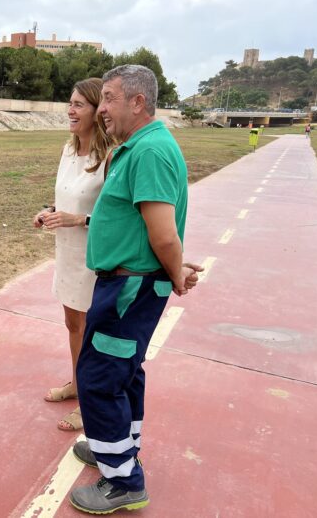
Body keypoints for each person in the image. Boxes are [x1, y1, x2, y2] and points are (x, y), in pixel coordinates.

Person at [68, 65, 203, 514]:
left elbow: (163, 234)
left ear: (137, 102)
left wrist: (175, 271)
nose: (101, 108)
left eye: (108, 98)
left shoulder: (149, 151)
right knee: (124, 372)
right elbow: (149, 228)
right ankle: (118, 446)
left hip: (129, 288)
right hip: (128, 283)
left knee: (100, 378)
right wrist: (172, 267)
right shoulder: (140, 147)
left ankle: (123, 480)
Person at [33, 78, 113, 432]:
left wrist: (76, 219)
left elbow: (116, 217)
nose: (71, 110)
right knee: (73, 325)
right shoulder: (68, 151)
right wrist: (48, 211)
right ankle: (78, 385)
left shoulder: (109, 156)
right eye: (70, 103)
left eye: (80, 104)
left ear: (98, 111)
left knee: (92, 331)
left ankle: (90, 402)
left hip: (94, 257)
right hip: (66, 251)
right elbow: (66, 198)